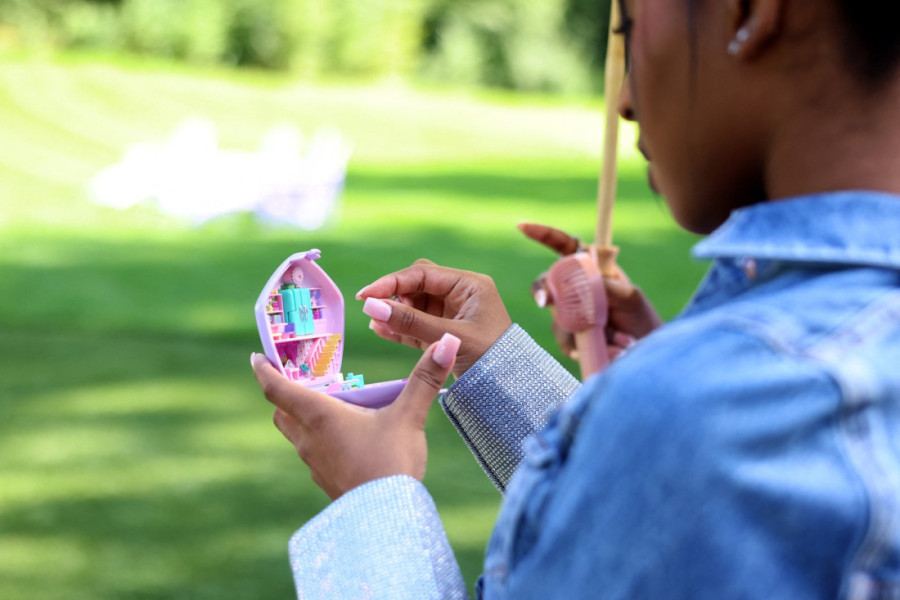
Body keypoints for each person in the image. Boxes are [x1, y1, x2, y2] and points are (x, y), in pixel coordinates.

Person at [250, 0, 900, 596]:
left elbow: (699, 442)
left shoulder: (731, 406)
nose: (622, 99)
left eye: (628, 27)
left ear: (751, 12)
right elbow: (656, 523)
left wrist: (375, 503)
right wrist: (505, 370)